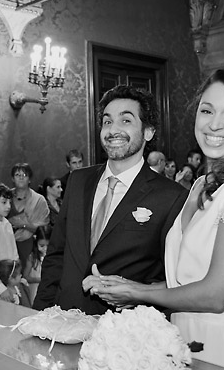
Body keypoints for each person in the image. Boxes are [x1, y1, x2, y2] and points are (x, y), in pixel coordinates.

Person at [85, 65, 224, 370]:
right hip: (180, 339)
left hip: (221, 350)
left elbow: (215, 295)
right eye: (207, 110)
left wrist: (138, 294)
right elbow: (187, 282)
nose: (215, 124)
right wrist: (128, 285)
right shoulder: (202, 184)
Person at [33, 85, 187, 315]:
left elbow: (170, 277)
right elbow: (57, 254)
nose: (113, 129)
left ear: (148, 132)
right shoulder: (78, 180)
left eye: (125, 121)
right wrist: (40, 313)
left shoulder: (171, 196)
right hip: (62, 320)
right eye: (107, 121)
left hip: (121, 331)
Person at [8, 163, 49, 270]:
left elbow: (44, 228)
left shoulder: (39, 200)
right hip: (6, 245)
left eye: (24, 175)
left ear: (30, 179)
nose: (21, 177)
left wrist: (23, 224)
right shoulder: (5, 197)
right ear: (12, 178)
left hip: (31, 247)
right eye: (17, 175)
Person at [23, 227, 49, 305]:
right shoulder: (32, 257)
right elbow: (25, 276)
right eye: (42, 246)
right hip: (35, 289)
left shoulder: (52, 257)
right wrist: (39, 280)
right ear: (36, 242)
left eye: (48, 245)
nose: (45, 249)